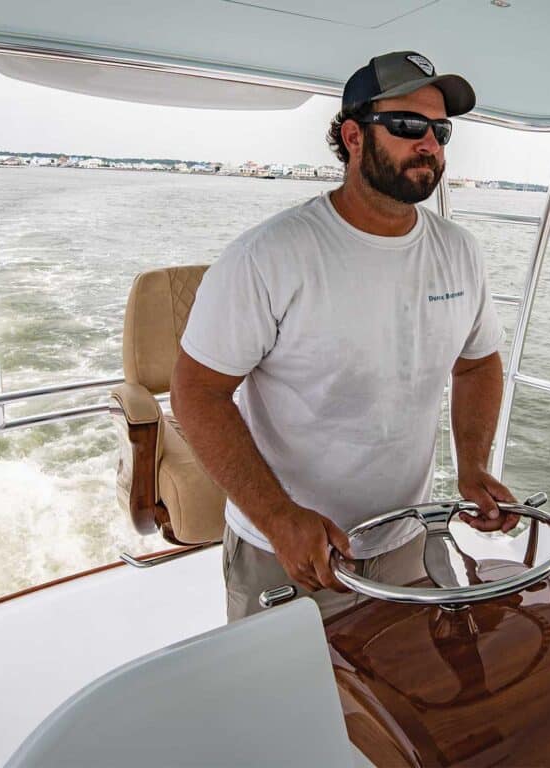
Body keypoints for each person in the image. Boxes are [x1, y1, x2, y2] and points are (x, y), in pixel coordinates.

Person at [171, 51, 518, 623]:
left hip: (404, 539)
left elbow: (478, 363)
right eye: (408, 126)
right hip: (286, 549)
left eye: (441, 130)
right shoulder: (270, 256)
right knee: (288, 705)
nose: (429, 144)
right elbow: (196, 392)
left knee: (392, 701)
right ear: (353, 136)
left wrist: (473, 467)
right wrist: (280, 518)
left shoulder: (459, 252)